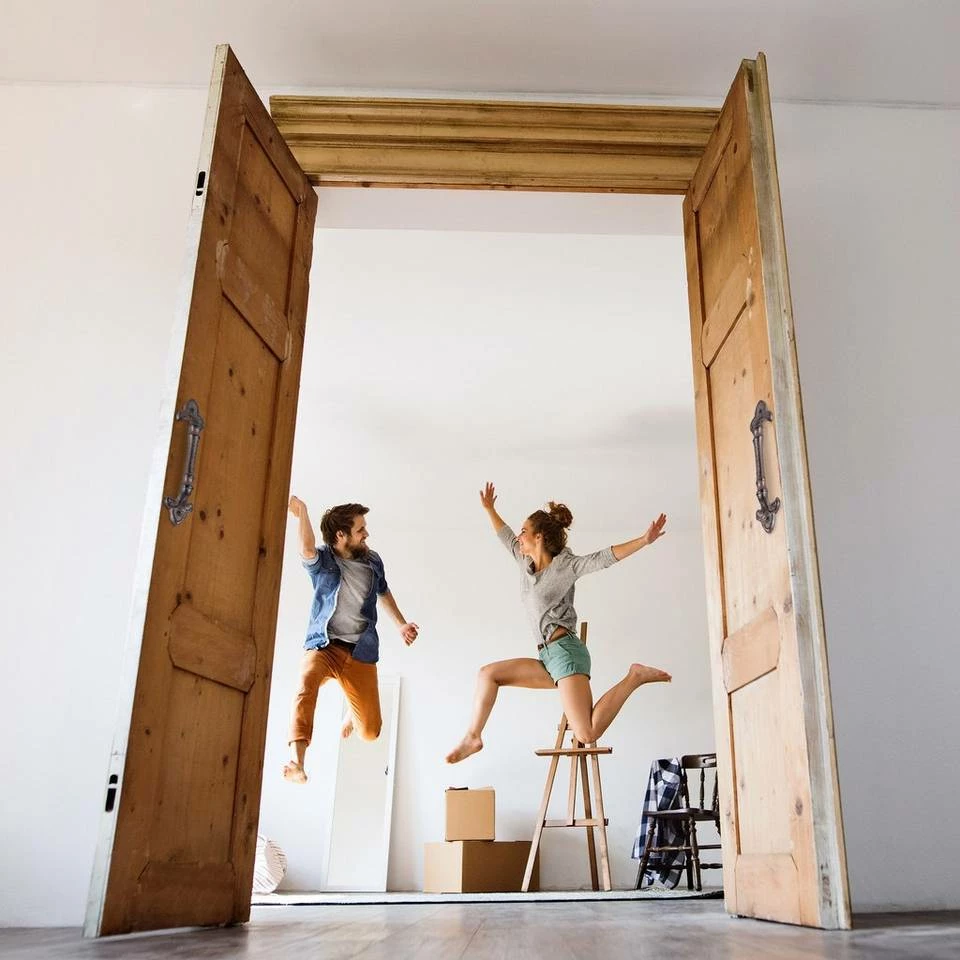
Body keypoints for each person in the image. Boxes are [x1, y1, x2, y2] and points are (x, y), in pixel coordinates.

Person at [446, 483, 670, 764]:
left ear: (538, 537)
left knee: (586, 733)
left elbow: (603, 558)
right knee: (487, 674)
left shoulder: (566, 566)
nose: (519, 537)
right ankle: (473, 736)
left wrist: (644, 540)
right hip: (548, 657)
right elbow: (505, 535)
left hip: (565, 653)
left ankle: (634, 677)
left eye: (524, 531)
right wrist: (490, 509)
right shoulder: (524, 561)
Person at [283, 496, 418, 784]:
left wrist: (401, 624)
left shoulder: (373, 561)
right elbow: (306, 549)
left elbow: (383, 591)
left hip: (359, 652)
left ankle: (351, 707)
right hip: (325, 646)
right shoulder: (324, 562)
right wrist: (302, 511)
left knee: (369, 731)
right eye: (360, 530)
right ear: (340, 536)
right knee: (306, 684)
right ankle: (297, 762)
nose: (366, 534)